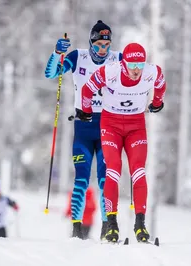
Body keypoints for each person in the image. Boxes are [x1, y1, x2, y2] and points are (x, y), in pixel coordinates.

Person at [79, 42, 166, 243]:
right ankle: (111, 224)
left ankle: (140, 224)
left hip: (136, 126)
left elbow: (161, 85)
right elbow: (87, 89)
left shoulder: (152, 72)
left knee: (138, 171)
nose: (136, 69)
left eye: (140, 64)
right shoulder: (109, 72)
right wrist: (86, 111)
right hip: (111, 126)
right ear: (123, 63)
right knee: (114, 169)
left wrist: (157, 103)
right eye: (132, 64)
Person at [45, 20, 122, 240]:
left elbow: (138, 71)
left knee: (105, 179)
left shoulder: (117, 59)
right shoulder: (78, 57)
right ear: (91, 42)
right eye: (98, 45)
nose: (102, 51)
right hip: (84, 126)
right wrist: (56, 52)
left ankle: (108, 228)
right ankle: (77, 230)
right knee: (81, 179)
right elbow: (51, 74)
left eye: (106, 46)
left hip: (109, 125)